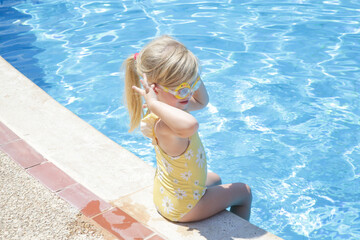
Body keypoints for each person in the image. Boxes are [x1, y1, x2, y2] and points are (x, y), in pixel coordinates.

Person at [123, 35, 252, 223]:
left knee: (215, 179)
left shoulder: (172, 108)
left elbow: (201, 101)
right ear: (155, 89)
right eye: (181, 88)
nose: (189, 92)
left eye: (191, 84)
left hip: (167, 197)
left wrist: (191, 76)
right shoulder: (166, 125)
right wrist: (153, 103)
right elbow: (191, 125)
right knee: (244, 191)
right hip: (182, 208)